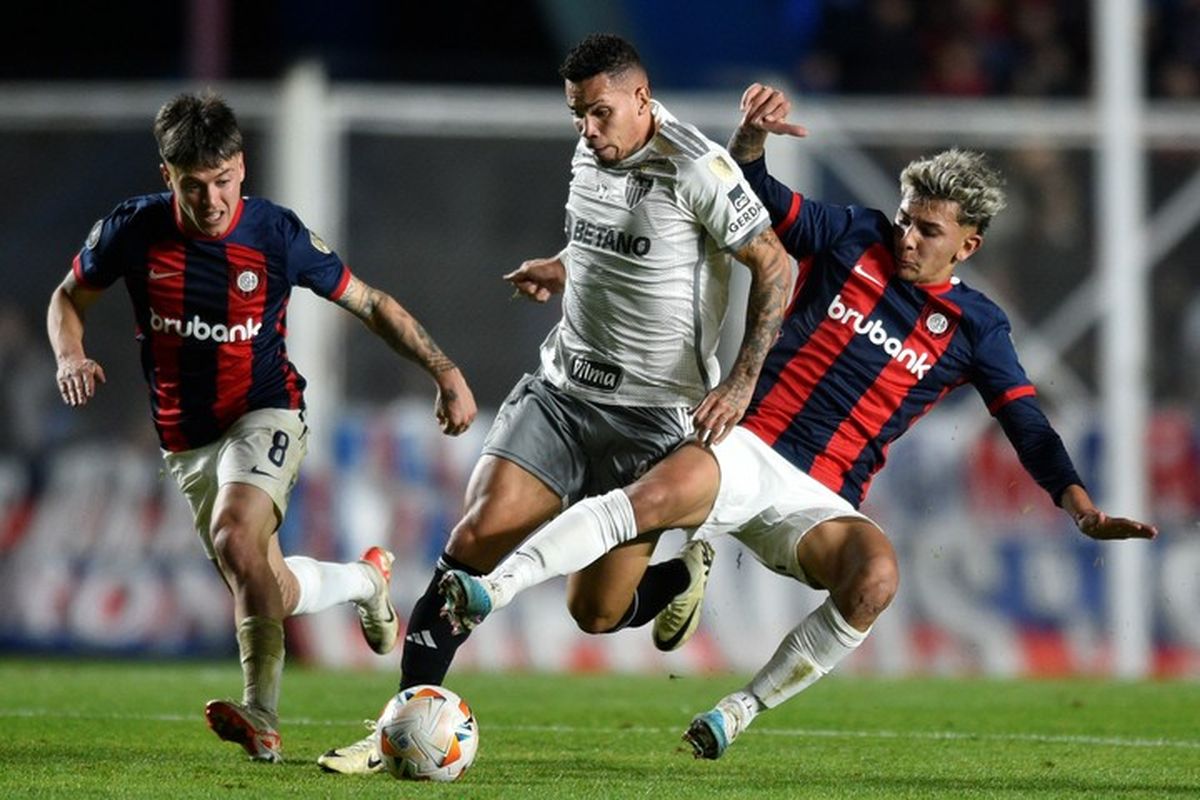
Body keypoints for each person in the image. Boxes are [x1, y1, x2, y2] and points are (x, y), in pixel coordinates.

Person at [437, 82, 1159, 760]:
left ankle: (737, 712)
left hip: (821, 496)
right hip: (745, 443)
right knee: (612, 577)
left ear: (967, 246)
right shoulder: (852, 235)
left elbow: (1025, 423)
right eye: (906, 219)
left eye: (928, 230)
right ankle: (491, 591)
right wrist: (750, 141)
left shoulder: (977, 326)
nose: (907, 236)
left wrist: (1077, 502)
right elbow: (757, 200)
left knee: (876, 577)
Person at [317, 34, 794, 774]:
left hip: (656, 417)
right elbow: (608, 240)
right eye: (578, 116)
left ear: (642, 100)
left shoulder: (696, 165)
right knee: (473, 542)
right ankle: (397, 728)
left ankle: (673, 578)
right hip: (562, 392)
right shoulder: (592, 151)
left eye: (601, 113)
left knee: (595, 613)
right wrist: (561, 266)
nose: (589, 131)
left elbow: (776, 265)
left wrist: (741, 381)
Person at [46, 90, 478, 764]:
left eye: (222, 181)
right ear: (168, 177)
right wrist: (70, 353)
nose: (211, 199)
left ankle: (263, 716)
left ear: (241, 168)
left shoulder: (276, 235)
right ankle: (366, 582)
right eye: (193, 185)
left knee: (233, 532)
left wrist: (444, 370)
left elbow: (370, 304)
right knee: (264, 584)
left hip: (266, 410)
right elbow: (67, 298)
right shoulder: (133, 229)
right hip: (186, 441)